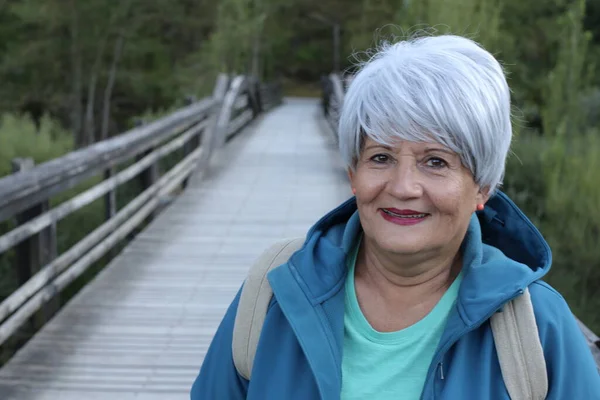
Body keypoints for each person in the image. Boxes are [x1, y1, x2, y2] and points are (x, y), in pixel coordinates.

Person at [190, 33, 600, 399]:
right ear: (353, 174)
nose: (403, 187)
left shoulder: (538, 328)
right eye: (381, 157)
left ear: (483, 188)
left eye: (436, 162)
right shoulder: (274, 291)